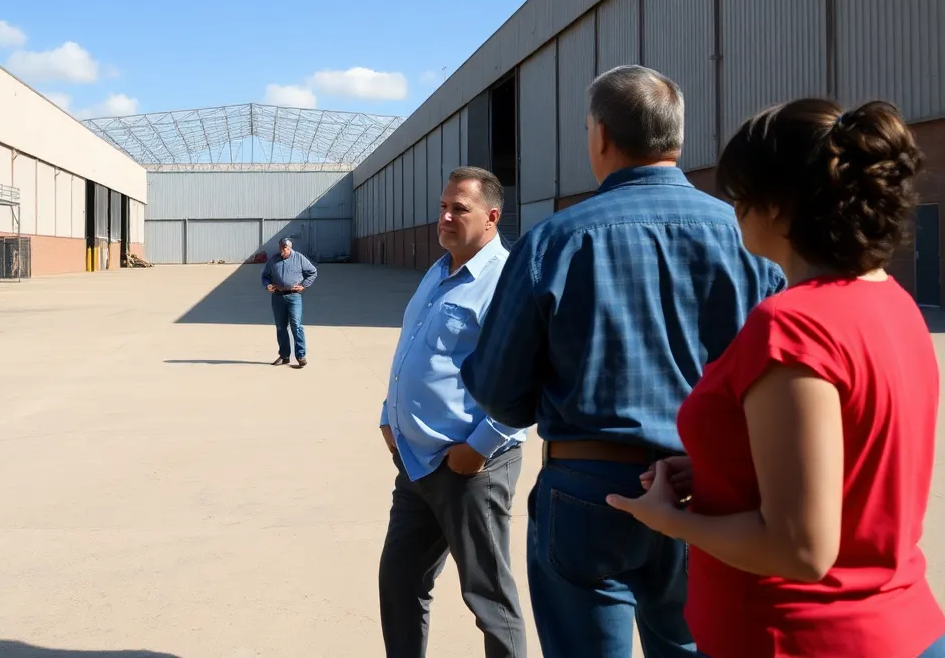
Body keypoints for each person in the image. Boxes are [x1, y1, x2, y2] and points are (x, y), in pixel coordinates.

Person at [461, 65, 785, 658]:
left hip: (588, 488)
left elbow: (499, 391)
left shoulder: (555, 241)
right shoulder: (748, 239)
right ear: (676, 139)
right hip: (710, 488)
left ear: (601, 136)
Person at [607, 98, 945, 658]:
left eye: (739, 195)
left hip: (800, 636)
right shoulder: (893, 304)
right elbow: (855, 453)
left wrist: (669, 520)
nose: (733, 209)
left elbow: (800, 549)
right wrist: (722, 464)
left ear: (780, 206)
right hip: (898, 624)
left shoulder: (793, 325)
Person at [378, 166, 529, 658]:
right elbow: (414, 347)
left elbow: (527, 377)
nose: (444, 216)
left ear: (491, 217)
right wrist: (389, 413)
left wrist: (478, 447)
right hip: (417, 463)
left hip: (469, 469)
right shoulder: (439, 269)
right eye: (443, 206)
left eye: (458, 209)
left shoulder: (507, 282)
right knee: (399, 582)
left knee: (488, 598)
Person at [261, 238, 316, 367]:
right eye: (280, 248)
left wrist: (304, 285)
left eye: (285, 248)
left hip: (294, 296)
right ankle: (284, 355)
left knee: (296, 326)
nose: (282, 251)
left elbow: (312, 272)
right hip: (278, 297)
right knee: (281, 327)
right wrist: (267, 285)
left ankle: (301, 356)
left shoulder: (299, 258)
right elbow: (265, 276)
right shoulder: (273, 260)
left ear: (290, 248)